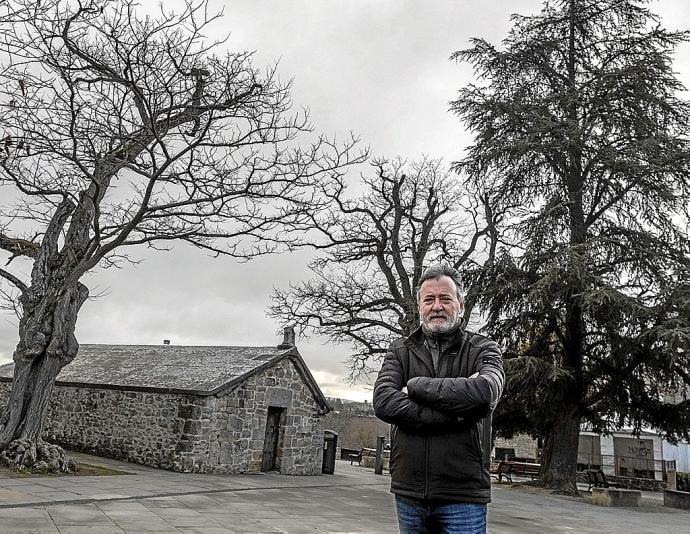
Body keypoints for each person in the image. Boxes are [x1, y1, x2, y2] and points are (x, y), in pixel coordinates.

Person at [373, 264, 504, 534]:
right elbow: (384, 401)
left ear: (460, 304)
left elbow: (485, 393)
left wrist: (416, 386)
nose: (437, 306)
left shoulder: (483, 349)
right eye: (428, 299)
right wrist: (456, 411)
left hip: (463, 495)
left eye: (445, 298)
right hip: (409, 490)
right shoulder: (400, 351)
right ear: (419, 306)